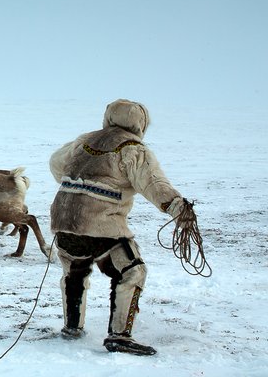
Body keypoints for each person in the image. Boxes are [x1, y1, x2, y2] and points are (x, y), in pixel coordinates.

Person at [49, 99, 187, 356]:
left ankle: (72, 327)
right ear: (140, 123)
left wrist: (77, 184)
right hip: (100, 224)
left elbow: (56, 163)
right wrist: (177, 207)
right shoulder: (133, 149)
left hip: (63, 221)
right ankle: (120, 336)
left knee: (75, 270)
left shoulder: (83, 141)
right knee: (132, 271)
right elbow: (154, 184)